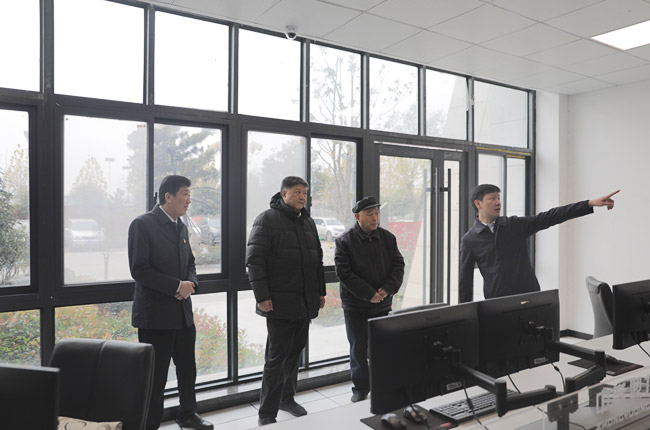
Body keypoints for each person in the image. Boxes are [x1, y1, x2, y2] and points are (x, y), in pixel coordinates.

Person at [128, 175, 213, 430]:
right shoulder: (142, 224)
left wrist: (190, 284)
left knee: (188, 369)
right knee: (156, 377)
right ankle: (149, 424)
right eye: (185, 194)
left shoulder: (181, 227)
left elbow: (191, 264)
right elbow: (139, 269)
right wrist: (176, 286)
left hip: (182, 315)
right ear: (168, 196)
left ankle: (188, 414)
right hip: (155, 317)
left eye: (189, 195)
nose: (189, 200)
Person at [246, 176, 326, 426]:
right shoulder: (267, 219)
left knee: (294, 355)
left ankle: (287, 399)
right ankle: (266, 413)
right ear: (284, 194)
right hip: (279, 303)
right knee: (276, 359)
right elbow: (255, 261)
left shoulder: (307, 222)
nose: (302, 196)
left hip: (304, 302)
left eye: (305, 193)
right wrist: (262, 297)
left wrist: (320, 292)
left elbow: (317, 259)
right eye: (297, 192)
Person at [459, 184, 619, 303]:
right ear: (478, 204)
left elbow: (551, 216)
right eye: (492, 198)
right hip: (497, 304)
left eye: (498, 198)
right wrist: (466, 317)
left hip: (530, 298)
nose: (498, 202)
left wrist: (589, 204)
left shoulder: (514, 225)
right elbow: (465, 283)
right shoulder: (470, 240)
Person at [334, 196, 405, 403]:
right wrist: (369, 294)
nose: (375, 218)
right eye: (370, 214)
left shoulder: (387, 238)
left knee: (383, 347)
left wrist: (386, 290)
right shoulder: (344, 241)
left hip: (383, 304)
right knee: (358, 349)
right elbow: (344, 273)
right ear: (358, 217)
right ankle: (361, 388)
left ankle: (383, 384)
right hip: (356, 306)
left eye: (377, 213)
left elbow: (398, 265)